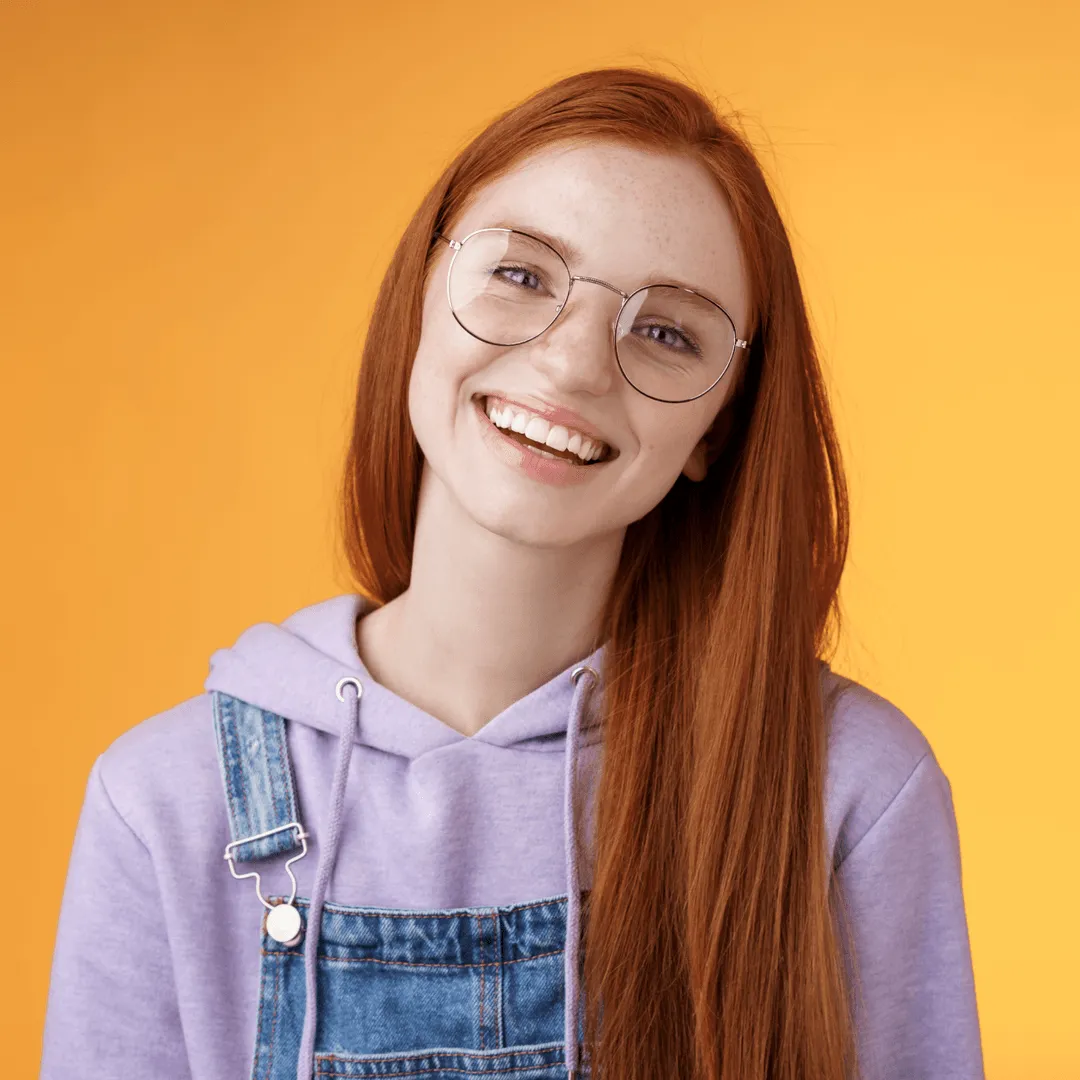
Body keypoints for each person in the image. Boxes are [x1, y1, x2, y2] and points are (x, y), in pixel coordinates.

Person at [39, 67, 985, 1080]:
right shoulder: (168, 804)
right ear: (421, 298)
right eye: (523, 276)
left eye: (668, 333)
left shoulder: (845, 791)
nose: (575, 364)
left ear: (717, 430)